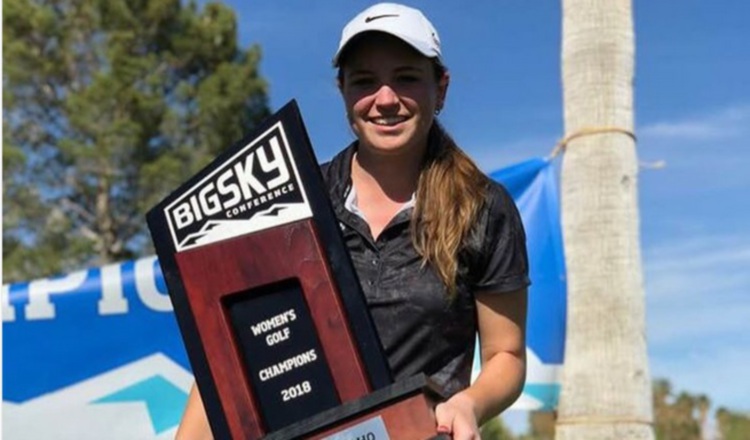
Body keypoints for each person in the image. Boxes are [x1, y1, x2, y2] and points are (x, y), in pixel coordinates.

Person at [177, 3, 529, 439]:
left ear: (441, 88)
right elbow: (228, 356)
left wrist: (467, 404)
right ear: (342, 90)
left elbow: (506, 355)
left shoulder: (484, 207)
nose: (385, 99)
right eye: (365, 81)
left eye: (406, 78)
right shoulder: (291, 201)